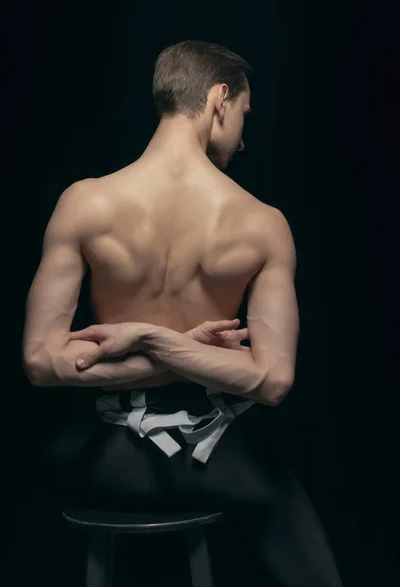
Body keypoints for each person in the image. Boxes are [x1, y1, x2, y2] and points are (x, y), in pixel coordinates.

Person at [23, 41, 343, 586]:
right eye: (243, 115)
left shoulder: (85, 203)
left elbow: (43, 359)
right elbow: (270, 379)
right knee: (294, 511)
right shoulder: (262, 223)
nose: (242, 141)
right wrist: (187, 349)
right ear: (220, 99)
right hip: (222, 467)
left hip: (101, 464)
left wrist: (147, 335)